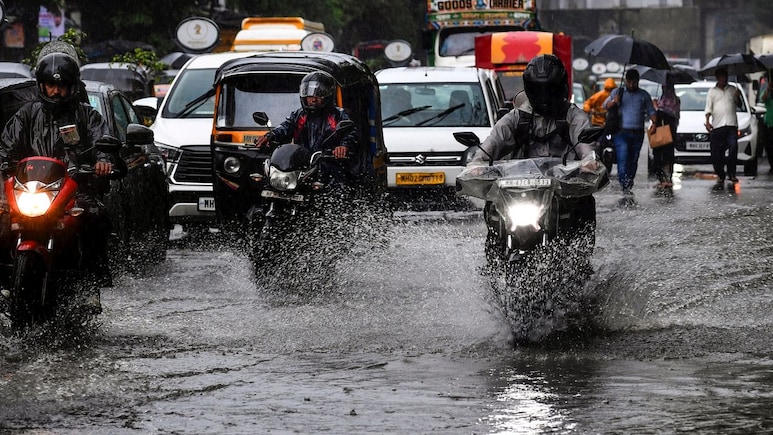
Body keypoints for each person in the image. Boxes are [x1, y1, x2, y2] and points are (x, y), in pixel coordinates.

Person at [0, 52, 115, 314]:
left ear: (72, 87)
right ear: (41, 86)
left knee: (95, 216)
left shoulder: (87, 115)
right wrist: (4, 162)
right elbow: (6, 146)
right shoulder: (27, 114)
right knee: (2, 218)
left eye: (62, 85)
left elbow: (102, 141)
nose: (56, 91)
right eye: (51, 85)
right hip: (30, 188)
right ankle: (4, 280)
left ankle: (90, 285)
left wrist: (103, 160)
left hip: (75, 189)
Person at [472, 54, 599, 239]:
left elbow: (585, 143)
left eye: (549, 89)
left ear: (561, 88)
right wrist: (478, 162)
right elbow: (495, 139)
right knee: (493, 206)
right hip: (519, 188)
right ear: (529, 89)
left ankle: (580, 249)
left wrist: (589, 161)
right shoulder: (517, 117)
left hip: (563, 188)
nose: (544, 96)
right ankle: (496, 247)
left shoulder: (574, 116)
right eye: (538, 90)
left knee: (584, 203)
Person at [255, 71, 359, 187]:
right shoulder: (299, 115)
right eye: (309, 95)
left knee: (339, 187)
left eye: (319, 94)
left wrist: (343, 146)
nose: (313, 99)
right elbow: (285, 127)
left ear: (328, 95)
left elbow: (351, 132)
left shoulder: (338, 114)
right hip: (300, 165)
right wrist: (270, 136)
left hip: (330, 164)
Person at [603, 68, 657, 204]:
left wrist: (654, 123)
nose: (631, 85)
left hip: (638, 133)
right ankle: (624, 185)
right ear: (625, 81)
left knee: (633, 159)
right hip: (621, 133)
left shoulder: (643, 95)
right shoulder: (618, 92)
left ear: (638, 81)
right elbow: (605, 105)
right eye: (629, 82)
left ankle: (629, 182)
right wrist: (614, 101)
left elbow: (651, 110)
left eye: (634, 82)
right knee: (623, 158)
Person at [704, 67, 742, 190]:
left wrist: (738, 96)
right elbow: (708, 108)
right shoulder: (712, 92)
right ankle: (720, 174)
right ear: (717, 78)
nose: (723, 79)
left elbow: (739, 105)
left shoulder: (733, 89)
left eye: (725, 77)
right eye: (721, 77)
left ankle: (732, 173)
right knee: (717, 152)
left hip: (731, 124)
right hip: (718, 125)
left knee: (733, 148)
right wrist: (707, 122)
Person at [652, 75, 681, 191]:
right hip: (665, 132)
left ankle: (666, 179)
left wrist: (656, 107)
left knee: (664, 156)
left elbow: (668, 114)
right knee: (662, 156)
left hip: (666, 133)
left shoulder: (672, 100)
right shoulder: (662, 99)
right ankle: (664, 179)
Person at [759, 75, 773, 174]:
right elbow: (763, 99)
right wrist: (768, 89)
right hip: (769, 124)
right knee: (769, 146)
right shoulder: (768, 94)